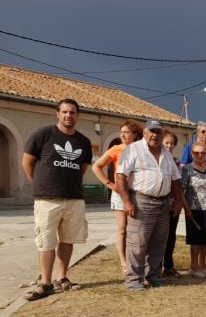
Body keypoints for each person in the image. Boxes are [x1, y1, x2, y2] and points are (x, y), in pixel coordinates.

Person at [22, 99, 93, 300]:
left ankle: (62, 278)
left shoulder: (84, 142)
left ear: (77, 115)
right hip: (47, 199)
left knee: (68, 239)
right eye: (65, 112)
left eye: (72, 112)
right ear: (58, 114)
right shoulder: (43, 135)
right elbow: (27, 162)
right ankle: (45, 283)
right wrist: (38, 184)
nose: (68, 115)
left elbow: (82, 169)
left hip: (74, 199)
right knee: (45, 241)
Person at [116, 119, 183, 290]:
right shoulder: (133, 149)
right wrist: (126, 201)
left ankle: (152, 276)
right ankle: (133, 280)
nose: (155, 135)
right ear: (145, 132)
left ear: (162, 134)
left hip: (163, 203)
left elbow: (175, 179)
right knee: (137, 242)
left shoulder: (166, 153)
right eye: (151, 131)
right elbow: (121, 175)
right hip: (141, 201)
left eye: (158, 131)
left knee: (158, 242)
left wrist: (178, 202)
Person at [91, 119, 143, 274]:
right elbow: (96, 166)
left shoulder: (141, 149)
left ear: (135, 134)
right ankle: (123, 262)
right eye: (121, 132)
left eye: (126, 132)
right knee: (122, 229)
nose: (123, 135)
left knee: (137, 229)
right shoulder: (116, 149)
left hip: (137, 193)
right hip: (120, 194)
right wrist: (110, 184)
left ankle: (137, 259)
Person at [181, 141, 206, 277]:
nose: (200, 155)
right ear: (192, 153)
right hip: (193, 209)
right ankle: (193, 266)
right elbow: (181, 190)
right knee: (195, 240)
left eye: (203, 153)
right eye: (196, 153)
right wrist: (186, 208)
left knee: (205, 239)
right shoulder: (187, 169)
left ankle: (202, 265)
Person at [162, 131, 183, 278]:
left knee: (170, 235)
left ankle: (168, 266)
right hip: (157, 204)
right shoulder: (155, 159)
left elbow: (180, 185)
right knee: (157, 236)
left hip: (173, 205)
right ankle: (154, 267)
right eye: (166, 143)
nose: (169, 146)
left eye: (172, 143)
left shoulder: (177, 163)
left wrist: (179, 203)